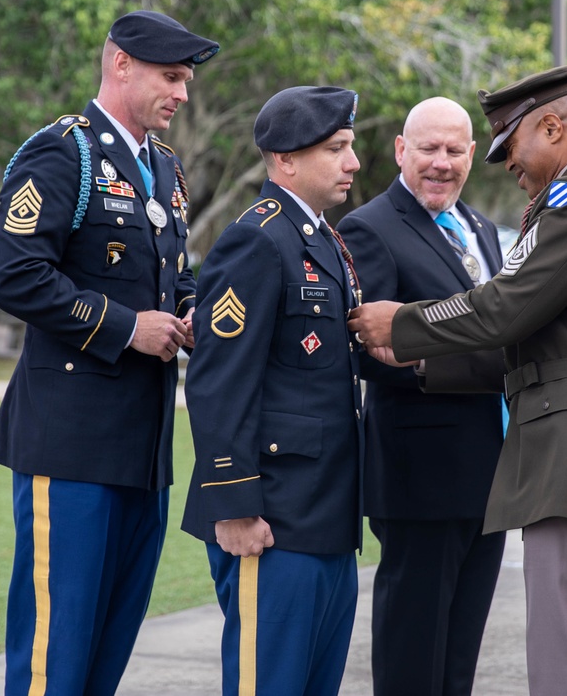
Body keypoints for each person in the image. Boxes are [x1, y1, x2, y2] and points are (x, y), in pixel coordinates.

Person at [347, 65, 567, 696]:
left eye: (512, 148)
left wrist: (401, 325)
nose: (511, 166)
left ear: (553, 126)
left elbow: (504, 310)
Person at [0, 11, 219, 696]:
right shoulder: (64, 153)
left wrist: (190, 308)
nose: (182, 94)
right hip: (72, 446)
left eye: (187, 81)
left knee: (106, 652)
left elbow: (170, 273)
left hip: (141, 449)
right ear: (120, 64)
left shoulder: (164, 167)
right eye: (171, 77)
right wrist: (124, 327)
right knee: (53, 658)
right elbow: (15, 273)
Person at [181, 86, 364, 696]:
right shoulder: (258, 239)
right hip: (272, 519)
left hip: (327, 515)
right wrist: (233, 503)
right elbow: (218, 379)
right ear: (285, 159)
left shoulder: (321, 240)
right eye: (336, 148)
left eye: (351, 146)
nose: (353, 162)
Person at [336, 97, 506, 696]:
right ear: (402, 151)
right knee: (414, 655)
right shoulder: (369, 227)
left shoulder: (481, 229)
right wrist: (490, 367)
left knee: (460, 658)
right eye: (428, 149)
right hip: (421, 478)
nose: (441, 163)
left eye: (454, 150)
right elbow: (369, 353)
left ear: (472, 156)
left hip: (493, 475)